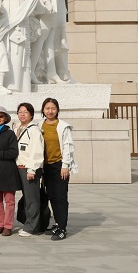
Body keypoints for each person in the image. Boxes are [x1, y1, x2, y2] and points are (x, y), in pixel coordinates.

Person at [40, 97, 78, 241]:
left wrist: (65, 165)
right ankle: (57, 223)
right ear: (43, 110)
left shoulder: (63, 126)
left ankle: (62, 228)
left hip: (59, 165)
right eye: (47, 108)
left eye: (53, 108)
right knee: (52, 196)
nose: (50, 111)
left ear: (57, 110)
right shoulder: (39, 125)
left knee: (61, 197)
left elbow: (68, 147)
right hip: (46, 166)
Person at [0, 106, 21, 236]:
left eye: (1, 116)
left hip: (7, 172)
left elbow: (13, 152)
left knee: (9, 201)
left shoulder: (9, 133)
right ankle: (0, 224)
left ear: (5, 118)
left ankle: (8, 225)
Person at [14, 102, 45, 237]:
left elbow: (36, 152)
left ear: (31, 114)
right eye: (20, 112)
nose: (22, 114)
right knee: (27, 198)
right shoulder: (19, 128)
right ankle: (30, 223)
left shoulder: (34, 130)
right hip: (20, 167)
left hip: (29, 169)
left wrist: (32, 170)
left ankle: (32, 227)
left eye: (25, 112)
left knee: (32, 199)